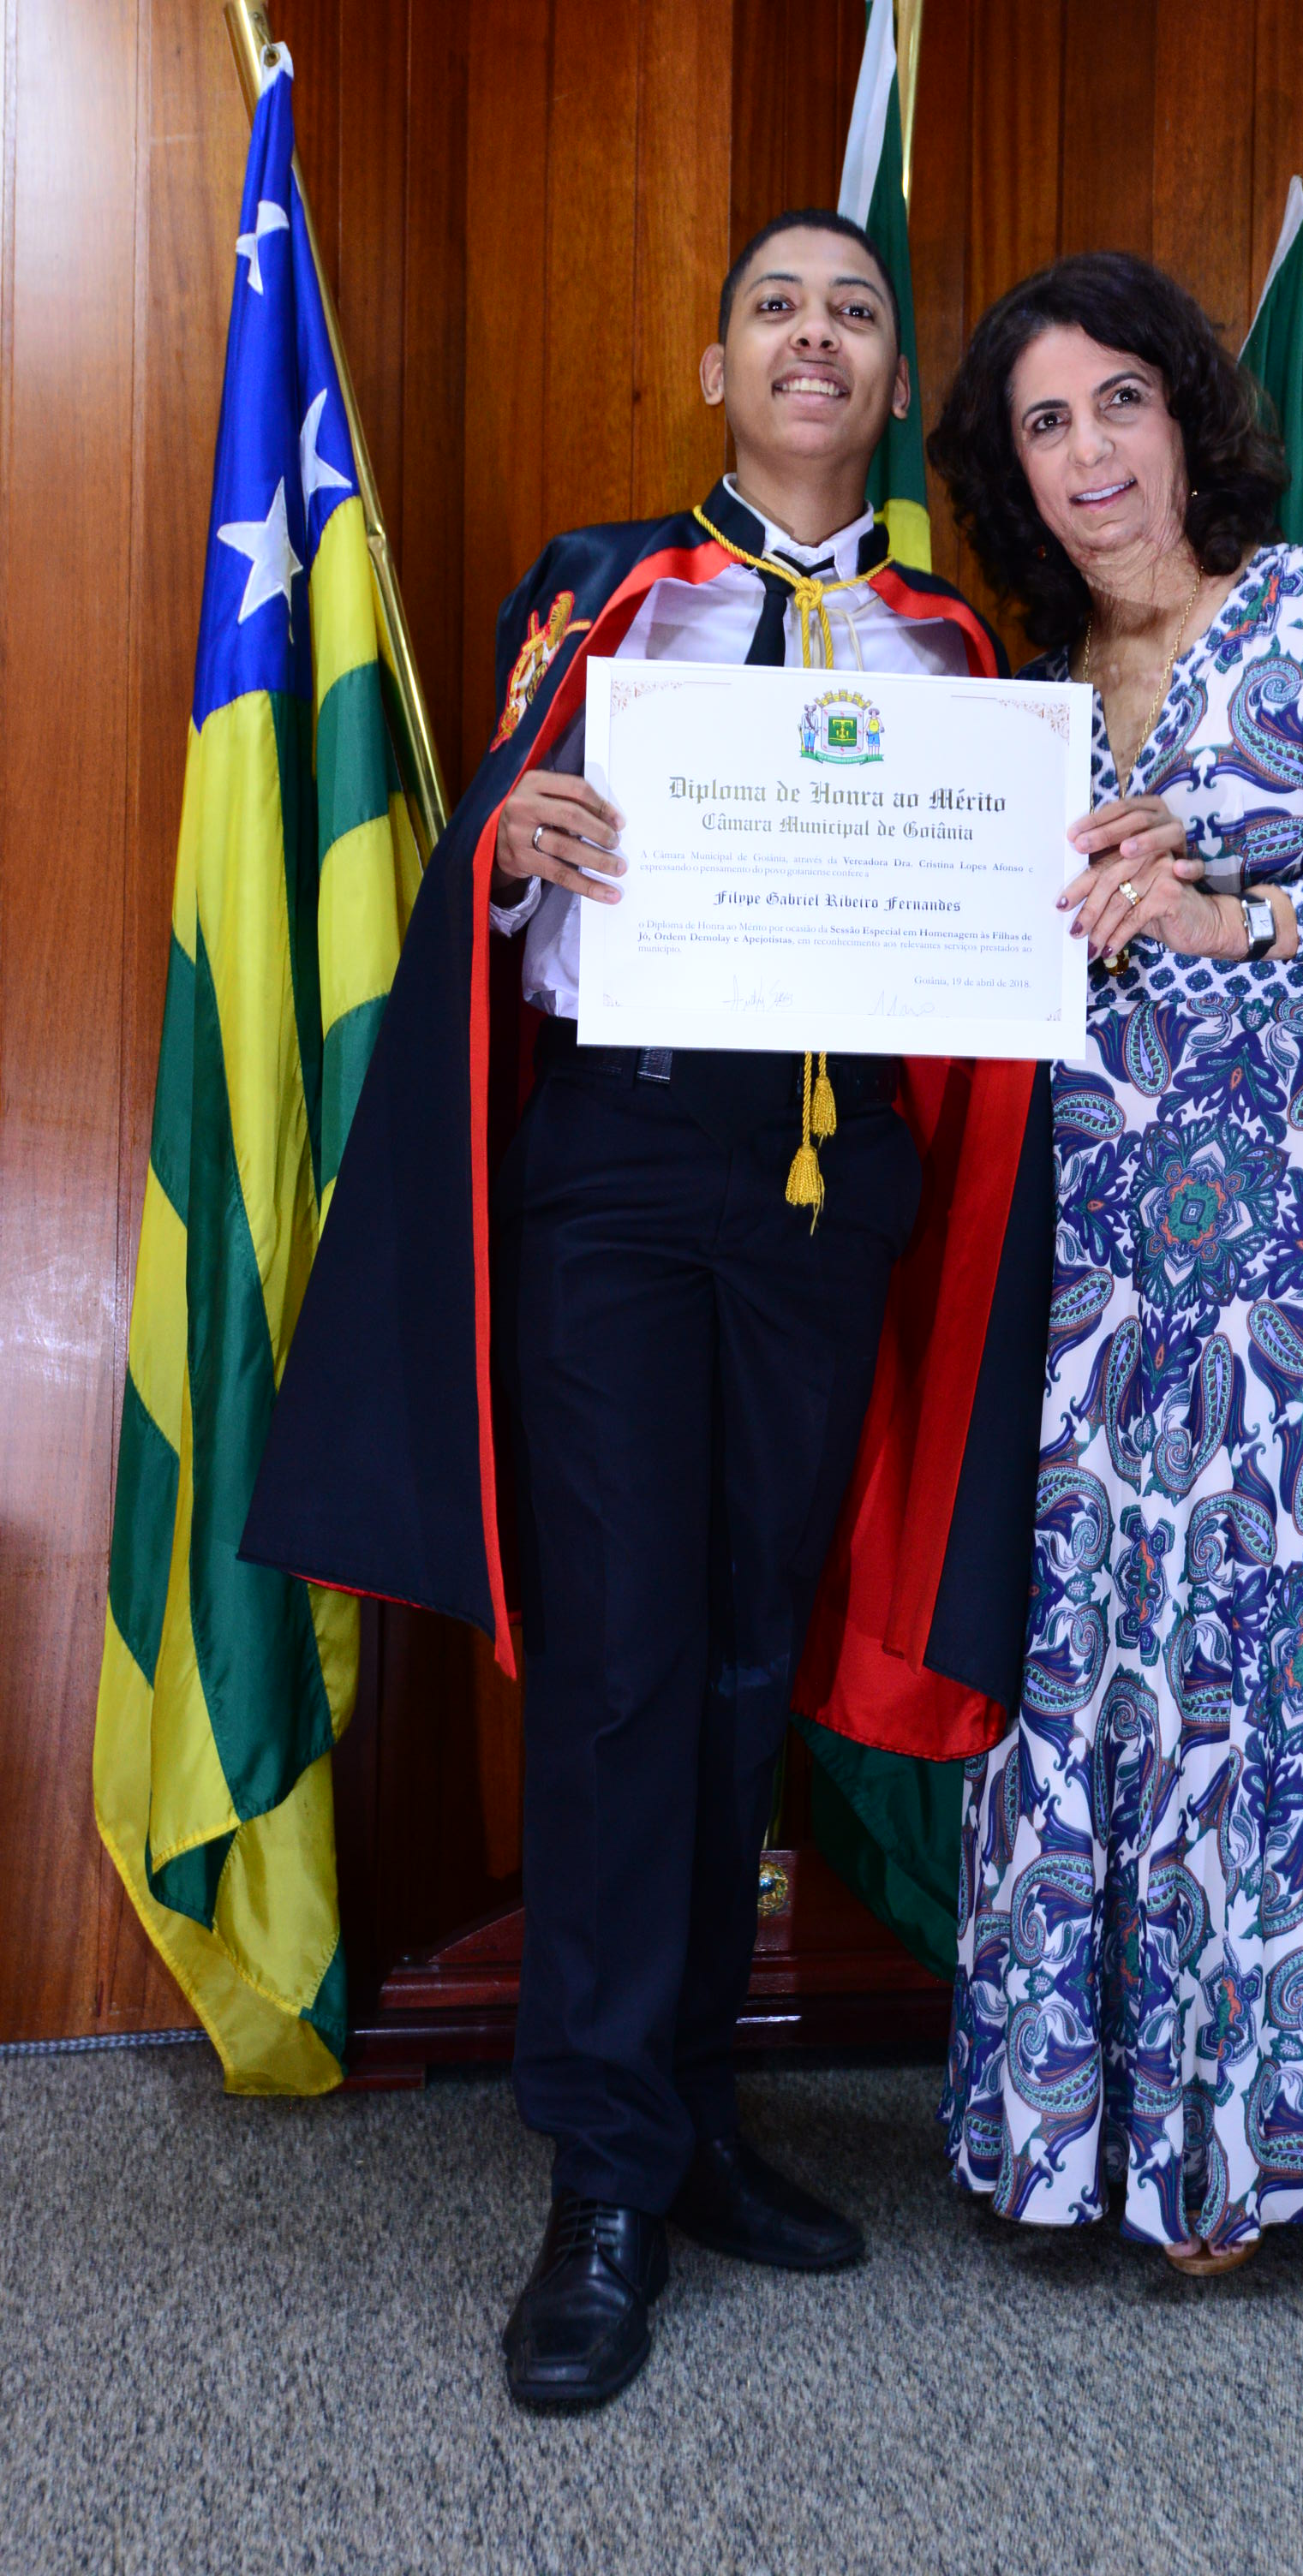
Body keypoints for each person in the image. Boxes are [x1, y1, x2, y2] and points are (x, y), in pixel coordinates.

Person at [243, 211, 1053, 2409]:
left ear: (893, 387)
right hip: (618, 1164)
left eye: (854, 312)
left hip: (827, 1189)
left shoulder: (954, 649)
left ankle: (691, 2114)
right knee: (618, 1661)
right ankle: (598, 2173)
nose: (814, 337)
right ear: (716, 367)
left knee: (739, 1661)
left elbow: (987, 934)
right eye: (776, 306)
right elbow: (490, 881)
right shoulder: (600, 591)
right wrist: (511, 847)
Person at [928, 253, 1303, 2269]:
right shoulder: (1015, 709)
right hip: (1089, 1256)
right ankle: (1088, 2140)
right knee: (1095, 1650)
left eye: (1118, 401)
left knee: (1280, 1657)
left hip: (1302, 1262)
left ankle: (1256, 2160)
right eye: (1042, 422)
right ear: (1010, 472)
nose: (1087, 450)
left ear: (1183, 416)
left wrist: (1230, 917)